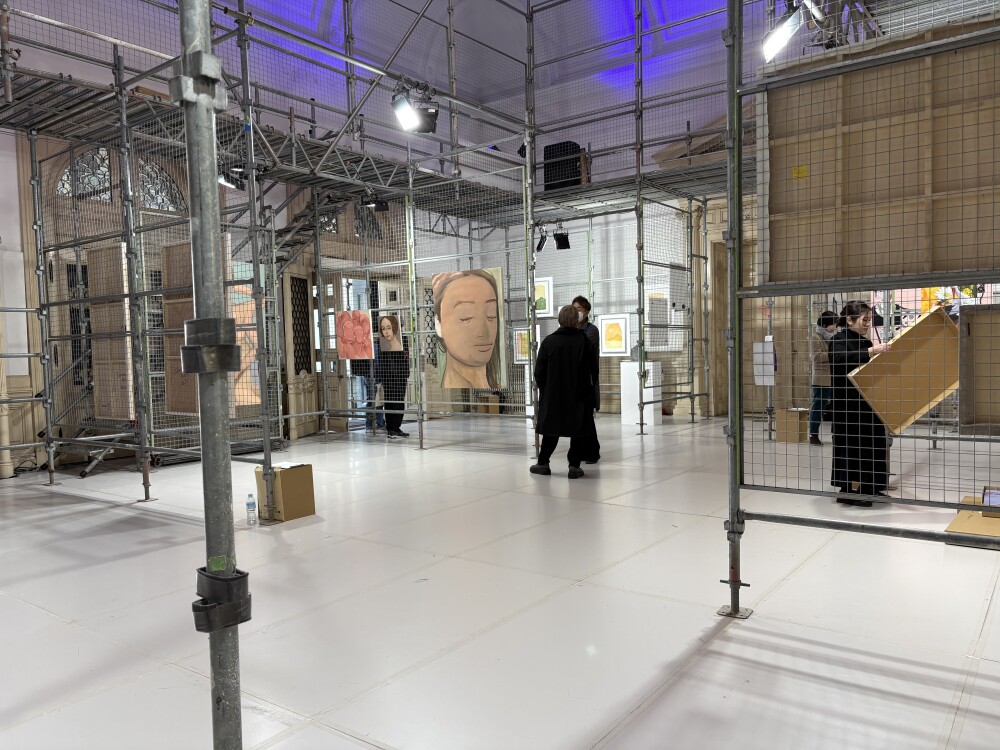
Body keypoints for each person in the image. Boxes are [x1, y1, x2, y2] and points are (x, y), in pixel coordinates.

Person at [828, 300, 892, 507]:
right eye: (864, 320)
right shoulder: (838, 340)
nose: (867, 324)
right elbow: (839, 360)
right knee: (850, 447)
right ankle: (848, 491)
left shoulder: (865, 342)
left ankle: (870, 488)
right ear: (849, 320)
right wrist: (871, 352)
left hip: (868, 402)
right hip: (847, 405)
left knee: (874, 444)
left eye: (869, 320)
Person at [530, 304, 599, 479]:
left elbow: (539, 372)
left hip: (554, 395)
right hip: (578, 395)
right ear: (576, 320)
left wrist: (546, 389)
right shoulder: (584, 341)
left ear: (559, 320)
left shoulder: (549, 341)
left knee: (551, 430)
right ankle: (574, 466)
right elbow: (594, 369)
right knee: (578, 430)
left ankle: (543, 463)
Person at [433, 270, 503, 390]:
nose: (483, 332)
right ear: (438, 325)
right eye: (466, 317)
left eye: (491, 315)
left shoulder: (498, 390)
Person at [572, 295, 601, 463]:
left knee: (587, 417)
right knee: (579, 418)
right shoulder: (571, 330)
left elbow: (582, 349)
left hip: (588, 380)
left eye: (579, 309)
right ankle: (582, 452)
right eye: (574, 309)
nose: (577, 312)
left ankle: (592, 452)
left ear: (587, 311)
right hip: (574, 381)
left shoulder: (591, 330)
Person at [377, 314, 411, 438]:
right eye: (384, 328)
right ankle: (392, 428)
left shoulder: (403, 339)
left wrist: (405, 373)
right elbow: (382, 359)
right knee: (391, 402)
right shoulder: (382, 341)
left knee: (397, 402)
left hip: (398, 376)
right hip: (389, 376)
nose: (386, 332)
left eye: (389, 328)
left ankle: (394, 427)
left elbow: (405, 357)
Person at [808, 310, 837, 446]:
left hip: (833, 378)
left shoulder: (830, 338)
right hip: (821, 380)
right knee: (818, 408)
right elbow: (816, 357)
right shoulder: (816, 338)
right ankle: (813, 434)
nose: (835, 327)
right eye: (833, 324)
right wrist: (833, 353)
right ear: (826, 324)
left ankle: (836, 434)